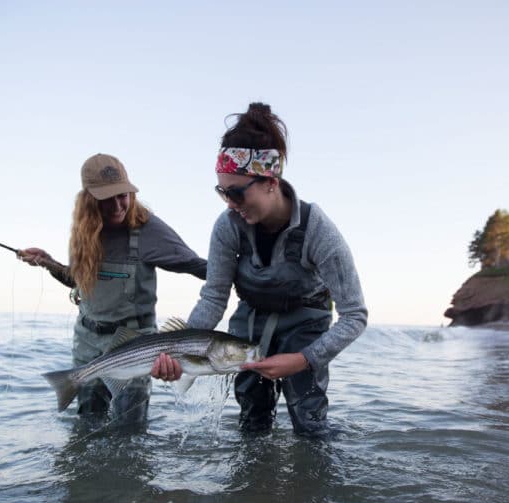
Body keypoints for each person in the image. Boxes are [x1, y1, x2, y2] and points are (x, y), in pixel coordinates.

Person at [152, 103, 367, 436]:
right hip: (249, 326)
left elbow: (355, 316)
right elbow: (213, 298)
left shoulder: (318, 230)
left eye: (236, 192)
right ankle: (252, 487)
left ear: (270, 179)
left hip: (306, 326)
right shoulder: (227, 227)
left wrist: (304, 359)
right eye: (222, 192)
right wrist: (180, 351)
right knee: (252, 421)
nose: (230, 204)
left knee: (310, 424)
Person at [19, 153, 206, 424]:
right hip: (87, 338)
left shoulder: (150, 229)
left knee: (129, 431)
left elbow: (199, 267)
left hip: (134, 344)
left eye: (123, 195)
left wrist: (249, 279)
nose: (119, 205)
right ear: (89, 200)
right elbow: (78, 280)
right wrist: (48, 263)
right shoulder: (84, 232)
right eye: (108, 198)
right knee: (87, 424)